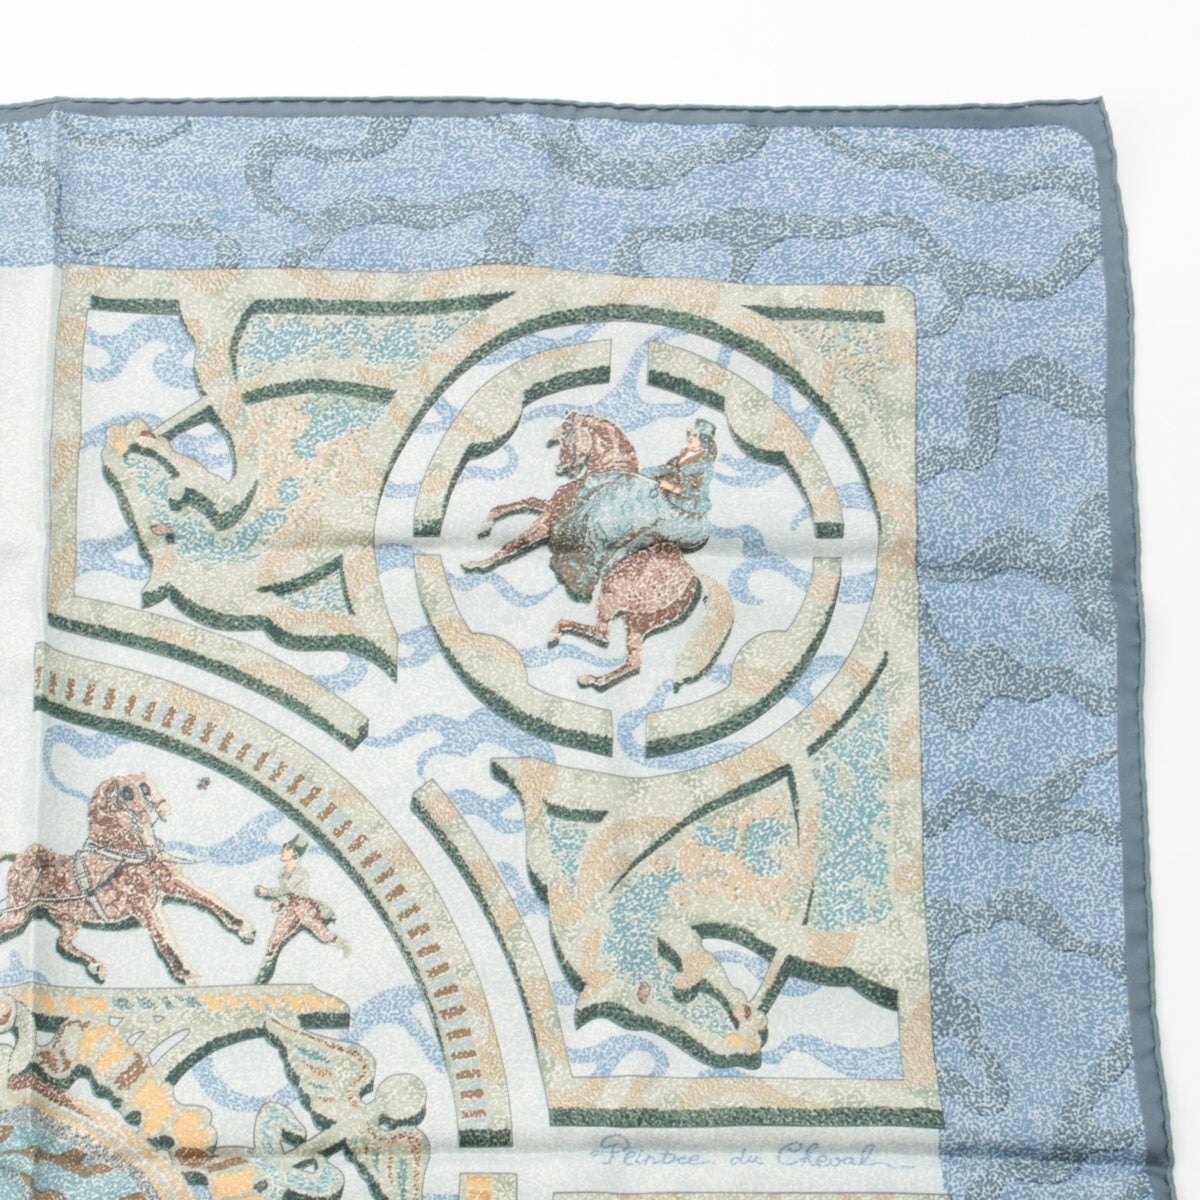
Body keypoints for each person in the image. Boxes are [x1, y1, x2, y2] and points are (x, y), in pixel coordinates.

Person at [550, 418, 718, 600]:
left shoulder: (705, 467)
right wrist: (642, 474)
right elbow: (666, 469)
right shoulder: (684, 456)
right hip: (667, 501)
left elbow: (696, 495)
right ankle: (582, 545)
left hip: (685, 515)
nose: (690, 438)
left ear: (703, 443)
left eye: (694, 436)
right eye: (690, 435)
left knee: (635, 534)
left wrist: (669, 487)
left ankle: (592, 573)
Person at [253, 833, 349, 984]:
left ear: (295, 853)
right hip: (292, 908)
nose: (283, 851)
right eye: (284, 848)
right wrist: (279, 901)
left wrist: (268, 892)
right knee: (274, 940)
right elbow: (286, 893)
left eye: (287, 849)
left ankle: (343, 945)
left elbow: (292, 891)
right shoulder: (282, 872)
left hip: (304, 907)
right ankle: (262, 978)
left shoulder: (301, 873)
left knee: (321, 932)